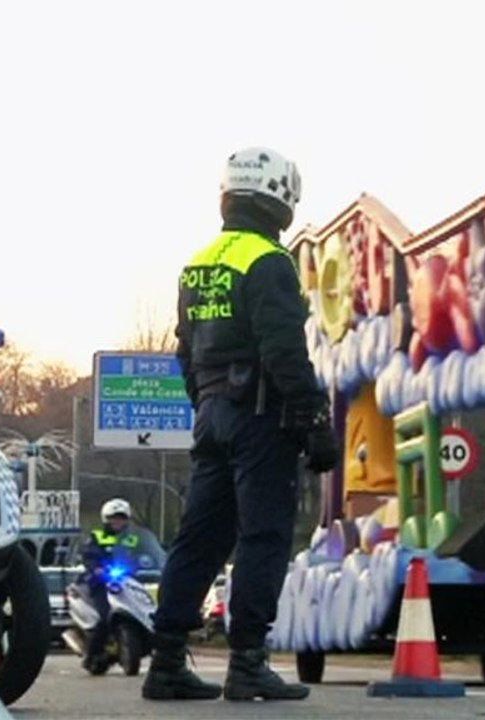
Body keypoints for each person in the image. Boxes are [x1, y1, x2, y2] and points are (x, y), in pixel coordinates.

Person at [140, 147, 339, 702]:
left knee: (199, 540)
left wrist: (203, 404)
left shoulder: (199, 264)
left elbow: (184, 350)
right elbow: (284, 352)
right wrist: (314, 421)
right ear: (280, 201)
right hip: (260, 420)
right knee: (263, 536)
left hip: (212, 417)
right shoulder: (268, 262)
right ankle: (248, 662)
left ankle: (166, 662)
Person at [77, 498, 139, 673]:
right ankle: (91, 655)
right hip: (102, 583)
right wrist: (96, 568)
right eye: (114, 518)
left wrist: (150, 563)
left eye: (121, 518)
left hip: (127, 582)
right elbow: (88, 554)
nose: (118, 522)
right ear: (106, 519)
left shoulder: (133, 538)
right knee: (105, 617)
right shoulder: (97, 536)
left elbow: (143, 553)